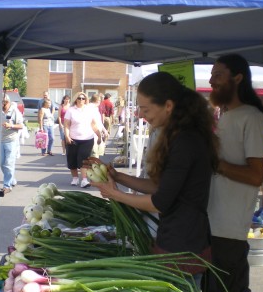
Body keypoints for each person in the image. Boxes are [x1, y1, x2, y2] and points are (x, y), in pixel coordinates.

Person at [90, 72, 219, 275]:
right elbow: (161, 186)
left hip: (183, 245)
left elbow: (160, 201)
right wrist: (118, 176)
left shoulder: (185, 142)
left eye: (145, 109)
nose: (141, 115)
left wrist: (115, 194)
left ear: (168, 106)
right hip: (178, 238)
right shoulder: (180, 136)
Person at [204, 53, 263, 292]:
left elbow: (256, 175)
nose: (212, 81)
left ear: (238, 78)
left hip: (229, 232)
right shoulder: (223, 114)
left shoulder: (253, 118)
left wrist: (217, 164)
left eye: (218, 75)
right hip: (210, 227)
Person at [63, 92, 103, 188]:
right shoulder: (71, 110)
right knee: (72, 159)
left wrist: (99, 135)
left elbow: (93, 124)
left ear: (86, 100)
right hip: (73, 139)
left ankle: (84, 180)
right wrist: (67, 136)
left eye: (83, 98)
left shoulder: (89, 110)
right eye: (79, 98)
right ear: (76, 99)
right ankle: (75, 178)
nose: (81, 100)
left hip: (87, 139)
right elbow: (67, 125)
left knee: (83, 160)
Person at [0, 93, 23, 194]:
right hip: (1, 141)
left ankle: (7, 186)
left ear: (8, 102)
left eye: (5, 103)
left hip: (11, 140)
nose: (3, 105)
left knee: (8, 163)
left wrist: (10, 125)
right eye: (2, 103)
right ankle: (12, 180)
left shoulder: (15, 111)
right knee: (2, 163)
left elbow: (21, 125)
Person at [88, 94, 108, 159]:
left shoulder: (95, 108)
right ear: (97, 100)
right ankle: (94, 167)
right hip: (92, 134)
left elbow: (99, 121)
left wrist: (104, 130)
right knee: (94, 153)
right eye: (100, 100)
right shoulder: (90, 108)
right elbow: (93, 122)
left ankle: (95, 166)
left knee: (96, 152)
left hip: (97, 133)